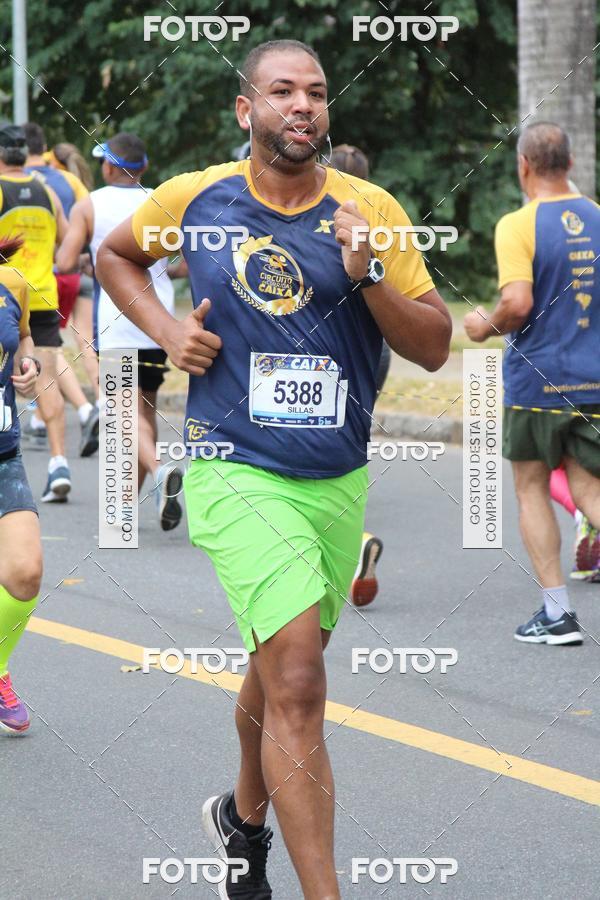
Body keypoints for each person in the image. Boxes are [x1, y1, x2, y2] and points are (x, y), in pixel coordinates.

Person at [97, 39, 451, 899]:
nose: (303, 106)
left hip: (335, 477)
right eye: (283, 91)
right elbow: (114, 256)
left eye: (317, 93)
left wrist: (368, 275)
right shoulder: (199, 198)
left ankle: (242, 821)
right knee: (298, 677)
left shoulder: (371, 209)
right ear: (246, 108)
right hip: (235, 466)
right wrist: (166, 330)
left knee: (274, 666)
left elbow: (437, 346)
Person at [464, 121, 600, 645]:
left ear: (523, 166)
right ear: (570, 163)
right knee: (589, 489)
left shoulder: (518, 224)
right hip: (594, 380)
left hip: (538, 383)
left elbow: (517, 303)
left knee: (531, 487)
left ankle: (557, 614)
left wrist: (482, 325)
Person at [56, 132, 182, 531]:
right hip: (158, 322)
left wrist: (92, 260)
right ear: (144, 167)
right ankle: (124, 508)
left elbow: (64, 262)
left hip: (118, 325)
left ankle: (160, 471)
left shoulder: (89, 205)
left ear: (109, 167)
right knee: (143, 413)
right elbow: (182, 263)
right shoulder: (161, 201)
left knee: (121, 413)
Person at [0, 122, 73, 502]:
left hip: (7, 295)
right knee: (44, 377)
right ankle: (59, 462)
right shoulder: (47, 191)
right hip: (43, 293)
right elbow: (67, 238)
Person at [329, 144, 386, 606]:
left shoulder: (319, 215)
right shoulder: (382, 216)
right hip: (375, 351)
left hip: (324, 352)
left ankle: (353, 538)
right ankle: (352, 530)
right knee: (347, 437)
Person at [23, 122, 99, 457]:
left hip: (43, 276)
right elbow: (88, 214)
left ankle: (82, 409)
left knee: (45, 350)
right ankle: (100, 401)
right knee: (82, 339)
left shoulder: (16, 180)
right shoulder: (68, 180)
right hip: (78, 270)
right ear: (44, 147)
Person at [0, 235, 43, 733]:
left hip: (3, 453)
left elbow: (24, 342)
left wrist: (29, 368)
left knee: (25, 572)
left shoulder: (12, 281)